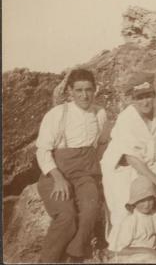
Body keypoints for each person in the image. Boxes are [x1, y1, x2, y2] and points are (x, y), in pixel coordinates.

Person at [36, 68, 108, 263]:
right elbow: (42, 150)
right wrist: (58, 179)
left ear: (95, 90)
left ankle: (73, 256)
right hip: (56, 174)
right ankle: (47, 260)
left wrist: (100, 174)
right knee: (67, 217)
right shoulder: (57, 114)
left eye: (89, 89)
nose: (84, 95)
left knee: (90, 209)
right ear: (70, 91)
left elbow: (102, 144)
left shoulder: (100, 113)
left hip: (85, 175)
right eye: (79, 90)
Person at [101, 71, 156, 252]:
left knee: (151, 208)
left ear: (154, 95)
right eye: (140, 98)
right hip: (123, 170)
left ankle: (152, 241)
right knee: (127, 209)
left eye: (148, 96)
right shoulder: (127, 118)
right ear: (133, 99)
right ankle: (121, 249)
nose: (145, 102)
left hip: (151, 167)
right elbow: (132, 158)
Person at [110, 175, 156, 263]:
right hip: (133, 256)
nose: (147, 204)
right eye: (142, 200)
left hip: (153, 252)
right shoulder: (130, 221)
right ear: (134, 202)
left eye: (150, 200)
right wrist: (147, 251)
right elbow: (120, 249)